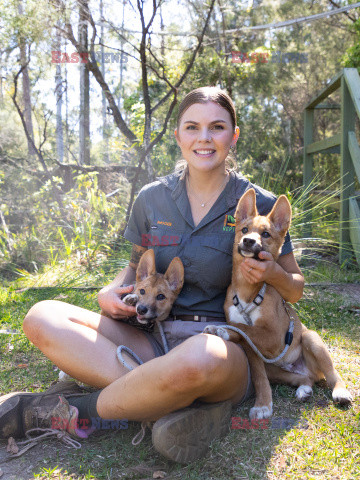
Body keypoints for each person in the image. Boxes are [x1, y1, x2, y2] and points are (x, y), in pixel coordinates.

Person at [0, 87, 304, 464]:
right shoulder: (151, 198)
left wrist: (272, 271)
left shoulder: (256, 206)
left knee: (198, 360)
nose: (204, 138)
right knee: (41, 317)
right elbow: (132, 268)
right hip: (153, 335)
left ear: (233, 135)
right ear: (178, 135)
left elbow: (295, 289)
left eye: (217, 127)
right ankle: (174, 404)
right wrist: (108, 293)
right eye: (192, 127)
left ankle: (69, 410)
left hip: (219, 348)